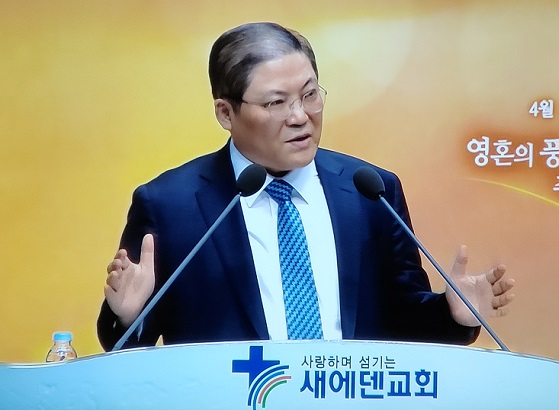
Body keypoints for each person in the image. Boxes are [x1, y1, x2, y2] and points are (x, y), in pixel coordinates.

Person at [97, 22, 515, 351]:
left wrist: (453, 314)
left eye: (310, 94)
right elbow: (128, 348)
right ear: (226, 113)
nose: (300, 116)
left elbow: (404, 325)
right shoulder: (170, 205)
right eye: (276, 102)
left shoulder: (370, 192)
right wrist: (128, 316)